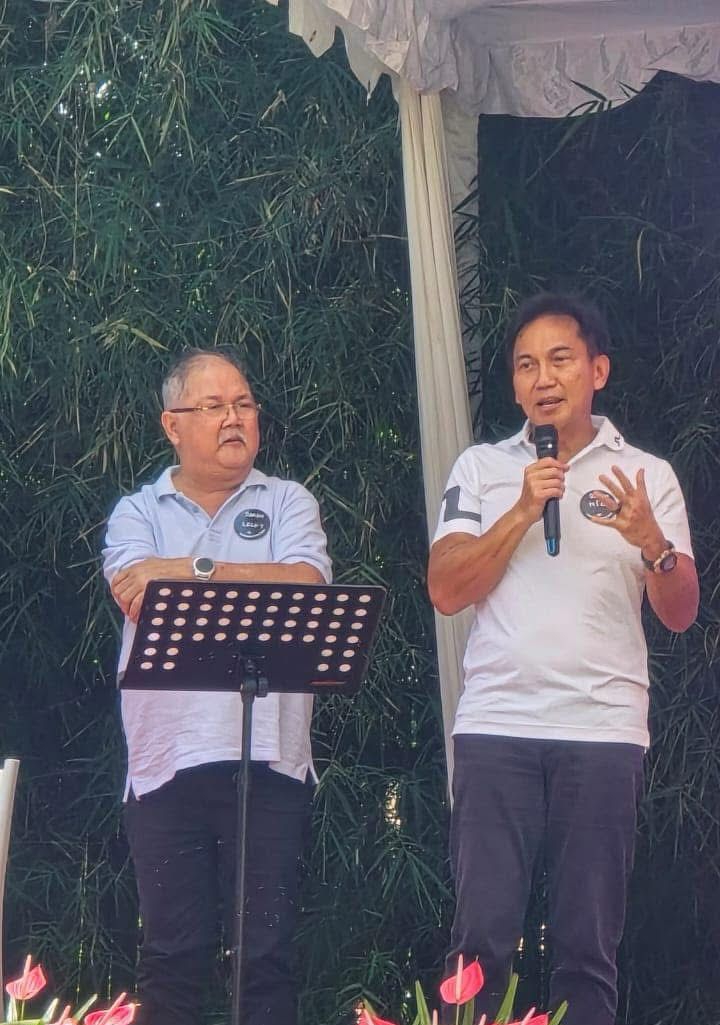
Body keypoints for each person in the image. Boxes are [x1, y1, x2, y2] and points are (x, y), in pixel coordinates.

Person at [428, 294, 699, 1025]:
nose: (543, 378)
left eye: (560, 359)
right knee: (480, 945)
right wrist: (522, 510)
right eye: (526, 365)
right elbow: (446, 588)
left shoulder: (646, 475)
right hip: (498, 727)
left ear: (597, 370)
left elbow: (680, 612)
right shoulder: (482, 468)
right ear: (515, 385)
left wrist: (654, 544)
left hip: (603, 731)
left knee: (586, 949)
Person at [102, 348, 331, 1025]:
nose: (234, 418)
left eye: (244, 404)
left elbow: (307, 587)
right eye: (214, 406)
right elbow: (140, 597)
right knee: (171, 958)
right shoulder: (136, 511)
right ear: (172, 425)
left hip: (270, 759)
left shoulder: (288, 500)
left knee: (266, 958)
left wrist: (190, 568)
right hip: (165, 765)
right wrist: (238, 576)